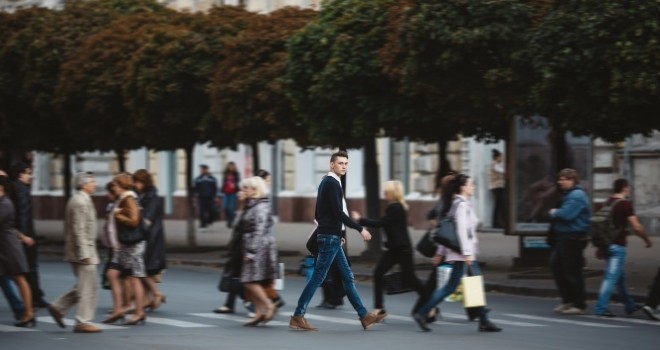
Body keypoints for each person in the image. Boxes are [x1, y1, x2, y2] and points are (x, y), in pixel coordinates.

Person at [289, 151, 386, 331]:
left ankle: (364, 316)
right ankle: (297, 315)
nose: (344, 166)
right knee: (318, 277)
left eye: (346, 163)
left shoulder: (327, 182)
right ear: (332, 164)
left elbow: (320, 214)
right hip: (329, 238)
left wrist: (337, 233)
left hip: (331, 237)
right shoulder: (332, 183)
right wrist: (360, 228)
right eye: (340, 163)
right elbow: (338, 213)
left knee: (347, 277)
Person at [411, 174, 501, 333]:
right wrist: (466, 253)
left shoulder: (460, 204)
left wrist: (443, 251)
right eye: (471, 184)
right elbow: (459, 231)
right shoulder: (461, 205)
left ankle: (483, 319)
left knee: (455, 287)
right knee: (471, 286)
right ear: (463, 187)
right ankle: (483, 320)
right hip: (464, 253)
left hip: (462, 252)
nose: (473, 187)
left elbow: (450, 231)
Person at [351, 180, 425, 315]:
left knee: (411, 279)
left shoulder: (396, 208)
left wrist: (361, 220)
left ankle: (430, 304)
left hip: (402, 250)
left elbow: (381, 223)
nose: (384, 192)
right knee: (379, 273)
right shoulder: (395, 207)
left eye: (386, 191)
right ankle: (379, 308)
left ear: (392, 193)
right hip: (395, 249)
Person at [47, 172, 102, 333]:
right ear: (83, 184)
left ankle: (58, 307)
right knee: (88, 288)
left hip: (84, 251)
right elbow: (78, 230)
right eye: (92, 181)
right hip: (83, 252)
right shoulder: (80, 202)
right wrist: (84, 253)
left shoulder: (82, 199)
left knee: (84, 286)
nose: (95, 184)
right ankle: (82, 321)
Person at [593, 179, 652, 317]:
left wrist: (599, 247)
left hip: (606, 245)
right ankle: (600, 308)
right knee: (610, 278)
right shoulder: (625, 204)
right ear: (624, 188)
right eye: (628, 188)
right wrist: (646, 239)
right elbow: (636, 227)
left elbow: (601, 228)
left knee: (620, 278)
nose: (629, 190)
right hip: (617, 247)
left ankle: (629, 305)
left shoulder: (607, 203)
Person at [235, 176, 278, 326]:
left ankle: (269, 305)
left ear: (254, 190)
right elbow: (238, 224)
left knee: (248, 280)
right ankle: (259, 313)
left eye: (245, 188)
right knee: (253, 279)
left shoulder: (260, 206)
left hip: (258, 246)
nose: (242, 191)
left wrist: (252, 251)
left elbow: (259, 230)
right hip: (255, 244)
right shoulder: (253, 204)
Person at [548, 168, 591, 315]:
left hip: (572, 238)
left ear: (572, 180)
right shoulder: (569, 194)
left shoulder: (577, 195)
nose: (560, 182)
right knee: (557, 267)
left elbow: (567, 215)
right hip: (563, 237)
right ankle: (567, 300)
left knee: (572, 271)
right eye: (559, 179)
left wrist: (554, 212)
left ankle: (579, 304)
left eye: (563, 179)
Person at [9, 162, 49, 308]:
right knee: (31, 267)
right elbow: (24, 214)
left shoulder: (13, 187)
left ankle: (34, 296)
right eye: (28, 173)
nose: (30, 176)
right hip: (25, 234)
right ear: (21, 174)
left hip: (16, 234)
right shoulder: (22, 190)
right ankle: (36, 297)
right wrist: (25, 236)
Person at [111, 173, 148, 326]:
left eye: (115, 185)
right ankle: (133, 310)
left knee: (134, 278)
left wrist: (118, 215)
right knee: (130, 277)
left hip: (134, 244)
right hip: (129, 244)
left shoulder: (128, 199)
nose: (113, 187)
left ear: (121, 185)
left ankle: (139, 312)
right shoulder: (125, 198)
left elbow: (134, 221)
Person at [0, 174, 35, 327]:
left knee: (19, 279)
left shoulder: (5, 203)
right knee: (14, 279)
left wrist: (22, 237)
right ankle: (24, 311)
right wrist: (24, 237)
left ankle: (28, 313)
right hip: (4, 245)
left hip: (8, 247)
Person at [133, 170, 167, 311]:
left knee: (142, 270)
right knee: (143, 269)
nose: (135, 185)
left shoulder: (152, 197)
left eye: (137, 182)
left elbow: (147, 220)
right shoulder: (145, 195)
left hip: (151, 238)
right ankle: (147, 299)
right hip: (149, 236)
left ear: (144, 182)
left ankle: (156, 293)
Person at [194, 164, 218, 229]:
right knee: (202, 212)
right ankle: (202, 225)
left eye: (203, 169)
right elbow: (195, 188)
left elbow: (215, 188)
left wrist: (216, 196)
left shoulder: (212, 179)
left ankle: (209, 221)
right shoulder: (198, 179)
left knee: (212, 211)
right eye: (201, 169)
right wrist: (195, 197)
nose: (201, 171)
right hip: (201, 198)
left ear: (206, 170)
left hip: (210, 197)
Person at [488, 149, 506, 228]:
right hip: (496, 186)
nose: (502, 158)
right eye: (501, 157)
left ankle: (498, 222)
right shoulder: (494, 165)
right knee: (498, 205)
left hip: (498, 186)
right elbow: (502, 171)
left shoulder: (497, 164)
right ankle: (496, 223)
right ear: (497, 157)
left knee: (500, 205)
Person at [221, 162, 240, 228]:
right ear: (228, 167)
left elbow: (238, 182)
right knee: (225, 207)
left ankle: (230, 222)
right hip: (226, 193)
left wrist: (235, 185)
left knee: (231, 208)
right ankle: (231, 219)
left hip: (233, 193)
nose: (231, 167)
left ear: (234, 167)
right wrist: (222, 190)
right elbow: (223, 182)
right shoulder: (225, 173)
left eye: (232, 166)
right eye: (230, 166)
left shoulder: (236, 174)